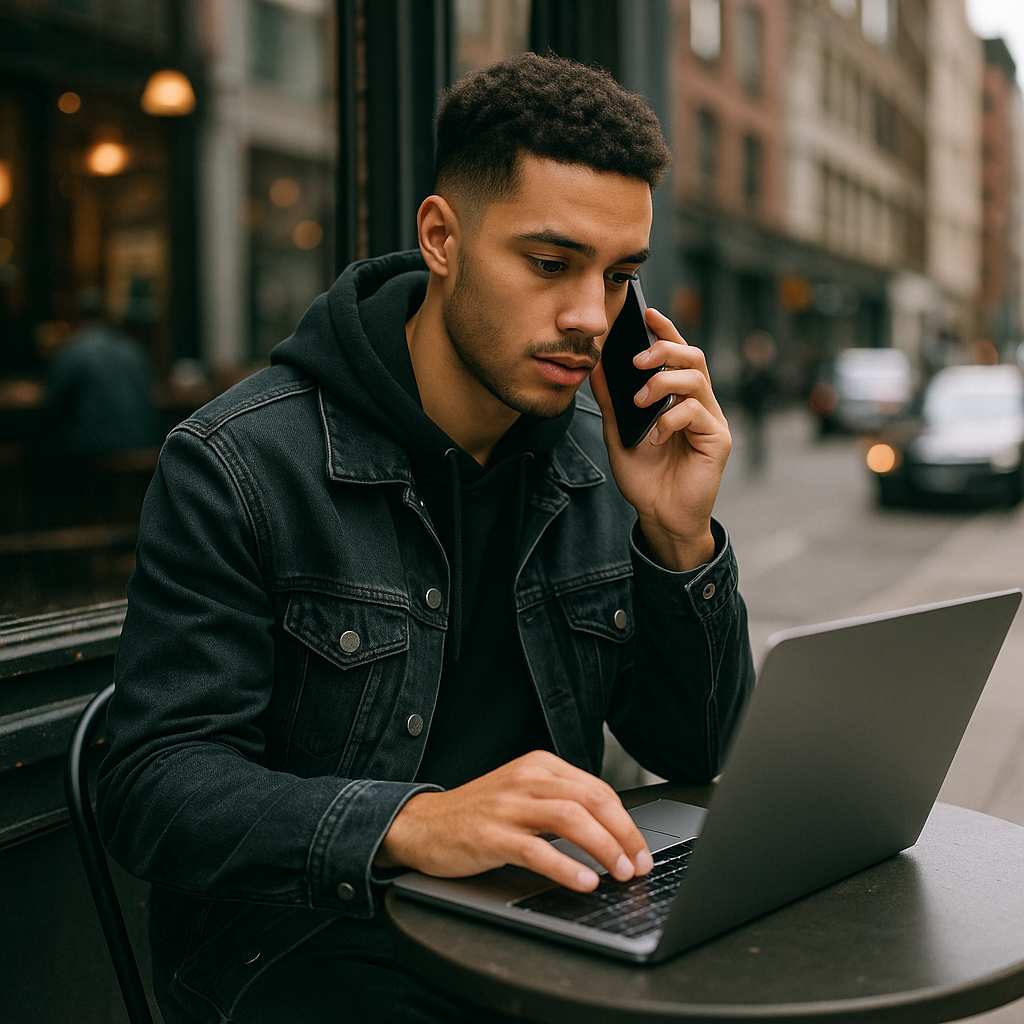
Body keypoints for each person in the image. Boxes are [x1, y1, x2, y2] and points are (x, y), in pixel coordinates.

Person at [97, 53, 756, 1023]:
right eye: (548, 263)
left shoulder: (601, 457)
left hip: (542, 925)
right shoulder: (241, 462)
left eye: (618, 276)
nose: (588, 317)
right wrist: (410, 822)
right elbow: (155, 787)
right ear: (441, 238)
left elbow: (695, 749)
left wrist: (676, 532)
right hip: (303, 943)